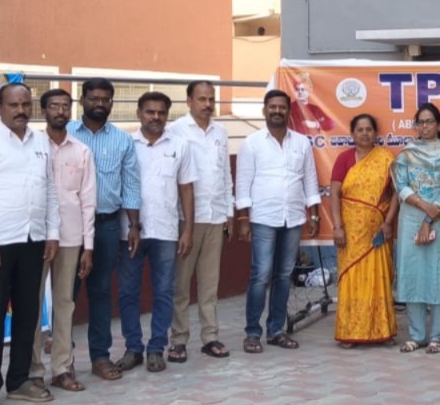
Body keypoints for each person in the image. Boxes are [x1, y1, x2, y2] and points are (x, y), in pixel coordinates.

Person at [0, 83, 60, 405]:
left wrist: (52, 233)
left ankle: (19, 380)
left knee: (28, 313)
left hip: (33, 240)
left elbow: (50, 190)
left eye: (25, 104)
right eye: (13, 105)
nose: (20, 110)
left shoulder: (41, 142)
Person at [234, 89, 320, 353]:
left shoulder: (302, 143)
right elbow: (243, 182)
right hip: (263, 217)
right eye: (272, 107)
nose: (277, 111)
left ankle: (276, 330)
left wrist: (313, 213)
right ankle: (252, 333)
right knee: (261, 275)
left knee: (284, 275)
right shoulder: (252, 143)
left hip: (293, 217)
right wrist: (243, 218)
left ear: (288, 111)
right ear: (264, 110)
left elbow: (310, 179)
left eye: (282, 107)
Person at [68, 78, 141, 381]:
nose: (99, 104)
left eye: (105, 99)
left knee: (100, 292)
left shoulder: (123, 141)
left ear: (112, 102)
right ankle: (63, 361)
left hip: (107, 226)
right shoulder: (65, 134)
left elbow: (131, 185)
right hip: (70, 228)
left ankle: (100, 357)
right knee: (66, 294)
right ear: (82, 100)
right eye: (94, 98)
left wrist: (134, 225)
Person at [118, 92, 196, 373]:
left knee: (164, 291)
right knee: (128, 292)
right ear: (139, 113)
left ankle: (156, 349)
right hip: (129, 231)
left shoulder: (180, 145)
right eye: (150, 112)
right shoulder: (126, 144)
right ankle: (133, 348)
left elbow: (186, 189)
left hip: (166, 230)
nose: (156, 117)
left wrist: (187, 229)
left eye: (161, 112)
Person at [28, 88, 96, 393]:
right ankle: (32, 369)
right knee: (31, 303)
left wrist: (88, 247)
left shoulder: (81, 151)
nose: (60, 111)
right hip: (35, 235)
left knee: (65, 302)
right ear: (43, 110)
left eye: (65, 106)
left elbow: (88, 201)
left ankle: (62, 368)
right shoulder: (31, 147)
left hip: (70, 236)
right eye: (54, 106)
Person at [167, 80, 235, 361]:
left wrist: (229, 211)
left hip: (215, 216)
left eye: (211, 99)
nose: (207, 104)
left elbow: (225, 174)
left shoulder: (221, 132)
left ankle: (210, 337)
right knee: (181, 285)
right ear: (189, 101)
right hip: (187, 220)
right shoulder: (175, 131)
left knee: (209, 284)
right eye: (201, 99)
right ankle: (179, 340)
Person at [391, 103, 440, 354]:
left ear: (439, 124)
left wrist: (429, 219)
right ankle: (417, 335)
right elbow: (401, 185)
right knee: (413, 275)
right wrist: (423, 207)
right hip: (411, 217)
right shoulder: (406, 154)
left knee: (438, 275)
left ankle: (438, 336)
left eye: (430, 121)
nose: (425, 126)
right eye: (420, 122)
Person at [329, 113, 399, 348]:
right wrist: (337, 227)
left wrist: (388, 222)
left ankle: (382, 330)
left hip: (377, 232)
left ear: (375, 133)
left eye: (369, 129)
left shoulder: (386, 158)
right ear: (352, 133)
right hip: (350, 234)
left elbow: (396, 194)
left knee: (378, 279)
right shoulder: (344, 159)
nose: (365, 133)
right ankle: (350, 331)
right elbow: (335, 194)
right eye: (360, 129)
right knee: (351, 279)